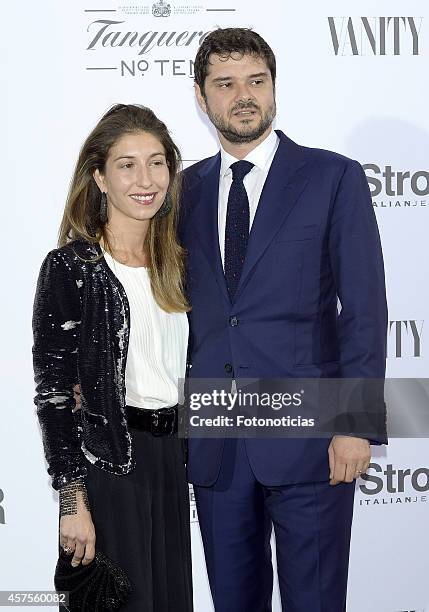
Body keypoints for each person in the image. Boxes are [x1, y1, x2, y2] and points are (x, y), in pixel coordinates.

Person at [179, 28, 388, 611]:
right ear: (203, 97)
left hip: (312, 439)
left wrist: (354, 423)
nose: (243, 95)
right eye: (225, 84)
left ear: (273, 88)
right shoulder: (182, 191)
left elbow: (365, 308)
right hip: (217, 443)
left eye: (256, 81)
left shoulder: (331, 177)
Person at [32, 104, 193, 612]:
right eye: (127, 165)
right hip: (110, 466)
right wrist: (71, 501)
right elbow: (54, 395)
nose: (145, 180)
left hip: (172, 463)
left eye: (157, 162)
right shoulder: (71, 268)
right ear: (99, 176)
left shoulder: (182, 264)